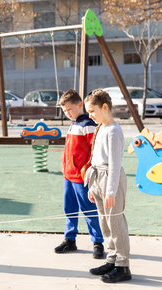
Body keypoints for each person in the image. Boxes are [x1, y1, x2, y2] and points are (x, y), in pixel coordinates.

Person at [84, 89, 131, 283]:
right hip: (98, 177)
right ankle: (112, 259)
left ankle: (123, 265)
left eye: (92, 111)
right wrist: (92, 187)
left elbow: (114, 163)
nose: (90, 115)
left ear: (105, 107)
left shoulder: (113, 130)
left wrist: (110, 190)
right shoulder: (101, 127)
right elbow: (96, 159)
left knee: (115, 223)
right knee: (104, 222)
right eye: (88, 112)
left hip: (111, 179)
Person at [55, 89, 104, 258]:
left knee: (89, 209)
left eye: (69, 109)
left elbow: (94, 151)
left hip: (82, 177)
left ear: (79, 105)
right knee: (69, 208)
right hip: (69, 176)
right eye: (64, 111)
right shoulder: (74, 124)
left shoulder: (88, 124)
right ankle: (70, 240)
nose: (67, 113)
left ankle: (98, 241)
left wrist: (89, 171)